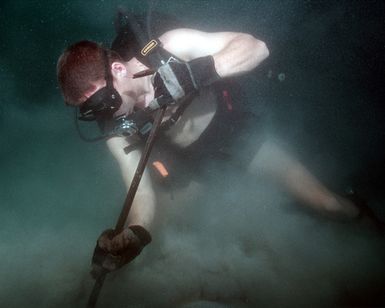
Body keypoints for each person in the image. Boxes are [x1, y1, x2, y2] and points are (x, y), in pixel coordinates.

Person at [57, 22, 362, 272]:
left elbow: (257, 48)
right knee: (159, 244)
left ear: (119, 71)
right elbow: (139, 191)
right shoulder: (115, 128)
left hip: (238, 139)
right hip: (191, 171)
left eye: (102, 103)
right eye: (92, 112)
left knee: (329, 205)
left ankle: (365, 220)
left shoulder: (170, 49)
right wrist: (134, 235)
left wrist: (195, 74)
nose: (105, 115)